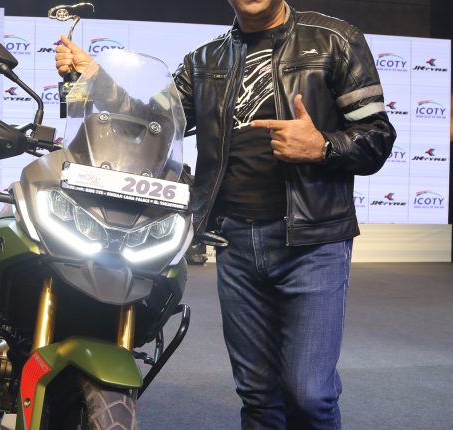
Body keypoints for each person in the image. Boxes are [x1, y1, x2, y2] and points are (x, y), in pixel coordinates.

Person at [56, 1, 396, 428]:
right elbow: (150, 119)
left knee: (310, 394)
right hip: (235, 241)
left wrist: (322, 146)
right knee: (257, 395)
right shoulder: (205, 60)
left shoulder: (335, 40)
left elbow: (377, 137)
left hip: (313, 243)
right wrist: (94, 78)